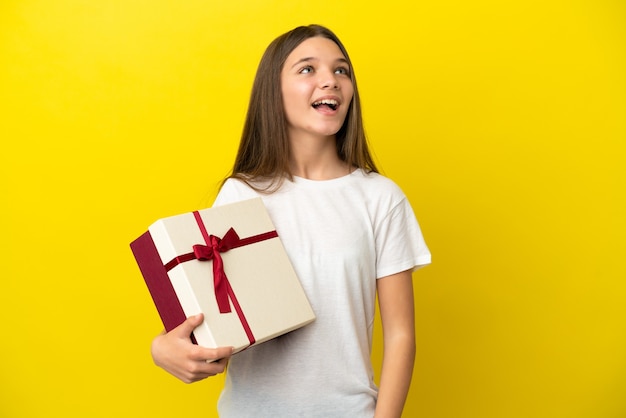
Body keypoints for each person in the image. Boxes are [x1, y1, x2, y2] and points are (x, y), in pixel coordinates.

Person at [150, 24, 431, 417]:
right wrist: (163, 349)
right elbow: (215, 326)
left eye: (341, 70)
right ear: (273, 91)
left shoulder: (380, 198)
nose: (329, 81)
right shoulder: (240, 195)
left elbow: (401, 335)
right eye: (307, 69)